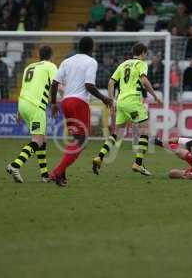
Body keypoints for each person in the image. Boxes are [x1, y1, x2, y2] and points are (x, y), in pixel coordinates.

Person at [49, 37, 113, 187]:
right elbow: (89, 85)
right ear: (91, 48)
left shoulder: (67, 61)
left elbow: (54, 83)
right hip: (79, 103)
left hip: (66, 102)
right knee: (81, 141)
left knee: (75, 139)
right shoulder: (91, 62)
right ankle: (57, 171)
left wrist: (53, 103)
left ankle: (61, 174)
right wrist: (104, 98)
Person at [92, 43, 162, 176]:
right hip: (133, 100)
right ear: (142, 53)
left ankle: (99, 157)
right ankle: (138, 163)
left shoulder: (123, 64)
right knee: (145, 131)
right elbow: (145, 82)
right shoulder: (141, 63)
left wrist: (112, 101)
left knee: (116, 133)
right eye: (146, 54)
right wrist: (155, 96)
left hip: (120, 101)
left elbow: (110, 83)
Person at [6, 46, 57, 183]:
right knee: (37, 140)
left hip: (23, 104)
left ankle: (45, 175)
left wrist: (19, 112)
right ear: (51, 55)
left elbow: (25, 88)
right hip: (36, 107)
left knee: (42, 139)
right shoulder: (50, 66)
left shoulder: (29, 67)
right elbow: (56, 85)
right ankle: (15, 165)